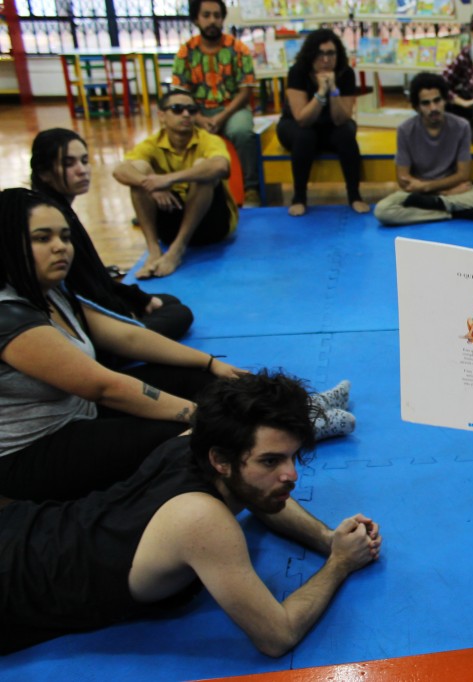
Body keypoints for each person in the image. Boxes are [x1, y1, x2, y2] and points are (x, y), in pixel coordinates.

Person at [0, 188, 354, 503]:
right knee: (183, 435)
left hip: (82, 414)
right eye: (42, 238)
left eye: (64, 236)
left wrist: (209, 364)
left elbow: (128, 336)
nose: (61, 247)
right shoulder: (8, 317)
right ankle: (290, 432)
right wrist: (197, 415)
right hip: (34, 453)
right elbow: (104, 386)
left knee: (208, 381)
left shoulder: (52, 293)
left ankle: (302, 412)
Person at [0, 371, 382, 656]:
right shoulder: (201, 521)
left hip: (30, 528)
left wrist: (327, 538)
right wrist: (339, 564)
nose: (291, 475)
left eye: (292, 457)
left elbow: (261, 497)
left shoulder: (191, 443)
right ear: (221, 460)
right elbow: (277, 636)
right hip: (13, 584)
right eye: (270, 460)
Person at [30, 128, 195, 344]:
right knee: (179, 314)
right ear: (44, 172)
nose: (82, 170)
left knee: (168, 302)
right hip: (84, 323)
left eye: (84, 161)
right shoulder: (53, 218)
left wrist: (137, 299)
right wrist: (125, 314)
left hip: (90, 306)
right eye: (69, 164)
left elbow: (94, 277)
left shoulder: (57, 208)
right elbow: (81, 290)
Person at [113, 90, 238, 279]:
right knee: (138, 168)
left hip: (212, 224)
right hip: (171, 218)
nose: (186, 115)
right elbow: (120, 170)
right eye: (177, 109)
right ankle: (154, 250)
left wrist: (169, 179)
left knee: (202, 170)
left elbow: (222, 166)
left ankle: (176, 251)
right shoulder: (152, 143)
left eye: (191, 110)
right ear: (161, 115)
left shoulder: (209, 140)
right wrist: (150, 184)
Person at [373, 72, 473, 227]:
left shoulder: (461, 126)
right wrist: (437, 191)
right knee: (383, 211)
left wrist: (428, 187)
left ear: (445, 101)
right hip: (420, 194)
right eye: (426, 103)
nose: (433, 107)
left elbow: (463, 174)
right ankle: (452, 211)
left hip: (445, 191)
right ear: (417, 107)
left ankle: (439, 206)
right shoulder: (405, 130)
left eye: (437, 100)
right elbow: (404, 180)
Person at [171, 0, 260, 207]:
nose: (213, 21)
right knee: (173, 130)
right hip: (196, 110)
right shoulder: (186, 52)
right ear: (196, 19)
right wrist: (199, 118)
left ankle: (251, 189)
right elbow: (180, 93)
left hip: (232, 108)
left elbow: (245, 91)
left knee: (242, 131)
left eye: (217, 16)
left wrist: (221, 117)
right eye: (207, 15)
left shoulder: (238, 49)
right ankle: (175, 190)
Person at [277, 29, 368, 217]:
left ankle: (355, 195)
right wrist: (320, 92)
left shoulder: (346, 73)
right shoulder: (298, 72)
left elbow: (341, 118)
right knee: (305, 135)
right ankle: (299, 197)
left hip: (331, 125)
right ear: (311, 54)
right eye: (320, 53)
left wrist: (333, 89)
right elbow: (302, 118)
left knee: (346, 132)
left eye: (330, 53)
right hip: (297, 125)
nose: (325, 59)